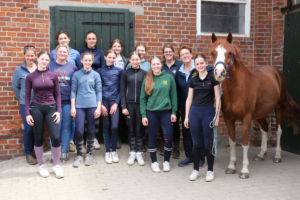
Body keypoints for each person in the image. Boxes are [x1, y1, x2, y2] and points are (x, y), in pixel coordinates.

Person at [25, 51, 63, 178]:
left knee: (56, 137)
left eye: (47, 60)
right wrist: (27, 113)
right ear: (37, 59)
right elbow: (26, 96)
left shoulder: (53, 75)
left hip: (51, 108)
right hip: (36, 108)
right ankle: (41, 165)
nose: (44, 61)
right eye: (42, 59)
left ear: (49, 61)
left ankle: (56, 165)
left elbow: (57, 94)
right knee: (38, 137)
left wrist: (58, 111)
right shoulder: (30, 77)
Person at [184, 54, 221, 182]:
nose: (199, 65)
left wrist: (217, 117)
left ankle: (210, 171)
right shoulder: (193, 80)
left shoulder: (213, 78)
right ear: (195, 65)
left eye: (202, 63)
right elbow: (189, 99)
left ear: (206, 63)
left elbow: (218, 98)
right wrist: (186, 116)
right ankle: (195, 169)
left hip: (208, 113)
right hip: (194, 113)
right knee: (196, 142)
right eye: (197, 63)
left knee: (208, 143)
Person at [140, 56, 177, 173]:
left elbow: (174, 96)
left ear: (161, 65)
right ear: (151, 66)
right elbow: (143, 99)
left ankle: (166, 161)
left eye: (158, 64)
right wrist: (143, 115)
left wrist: (174, 112)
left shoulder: (169, 78)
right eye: (153, 64)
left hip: (166, 112)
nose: (156, 66)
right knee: (152, 137)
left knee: (169, 137)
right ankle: (154, 162)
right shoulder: (147, 79)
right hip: (151, 113)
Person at [175, 45, 207, 168]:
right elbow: (178, 90)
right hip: (185, 106)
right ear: (180, 57)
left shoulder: (200, 67)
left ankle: (201, 158)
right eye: (182, 54)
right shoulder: (179, 71)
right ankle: (189, 157)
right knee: (187, 131)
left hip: (201, 106)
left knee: (200, 132)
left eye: (187, 53)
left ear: (191, 54)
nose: (185, 56)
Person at [50, 30, 81, 152]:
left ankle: (64, 150)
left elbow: (76, 79)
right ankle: (55, 151)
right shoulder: (50, 65)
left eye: (65, 52)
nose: (62, 53)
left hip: (68, 99)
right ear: (56, 53)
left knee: (67, 126)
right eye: (60, 52)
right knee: (55, 127)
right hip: (52, 100)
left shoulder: (73, 65)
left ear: (68, 54)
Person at [71, 51, 102, 167]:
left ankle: (89, 154)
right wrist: (73, 107)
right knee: (79, 130)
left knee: (91, 130)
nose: (88, 62)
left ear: (92, 61)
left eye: (90, 60)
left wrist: (98, 108)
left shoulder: (96, 75)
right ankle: (79, 155)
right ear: (81, 61)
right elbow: (73, 91)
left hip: (92, 106)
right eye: (86, 60)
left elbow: (99, 92)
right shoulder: (76, 74)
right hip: (79, 106)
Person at [78, 31, 105, 150]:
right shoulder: (80, 51)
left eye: (93, 38)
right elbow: (79, 67)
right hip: (83, 83)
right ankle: (83, 138)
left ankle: (93, 137)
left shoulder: (100, 53)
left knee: (94, 115)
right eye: (89, 38)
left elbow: (103, 68)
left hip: (95, 82)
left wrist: (94, 76)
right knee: (83, 115)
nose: (91, 40)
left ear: (96, 40)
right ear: (86, 39)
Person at [120, 51, 148, 166]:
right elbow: (122, 91)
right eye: (133, 59)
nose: (135, 61)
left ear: (140, 60)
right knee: (131, 129)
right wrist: (123, 106)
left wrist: (146, 107)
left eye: (137, 59)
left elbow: (148, 91)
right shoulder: (125, 74)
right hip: (129, 104)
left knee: (140, 129)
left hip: (141, 105)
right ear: (130, 60)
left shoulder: (145, 73)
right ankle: (132, 151)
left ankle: (139, 152)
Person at [12, 46, 38, 165]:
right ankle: (28, 153)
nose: (30, 58)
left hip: (39, 103)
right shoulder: (19, 70)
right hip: (25, 105)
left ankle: (35, 150)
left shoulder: (40, 67)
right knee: (28, 128)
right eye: (28, 55)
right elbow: (15, 87)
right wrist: (23, 98)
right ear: (24, 56)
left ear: (35, 56)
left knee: (37, 128)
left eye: (32, 55)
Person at [97, 49, 123, 164]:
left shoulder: (119, 71)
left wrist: (116, 103)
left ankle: (114, 151)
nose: (111, 59)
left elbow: (121, 89)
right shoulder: (99, 71)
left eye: (114, 58)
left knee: (114, 126)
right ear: (105, 57)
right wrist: (101, 104)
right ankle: (107, 151)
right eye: (110, 57)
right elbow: (97, 89)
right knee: (106, 125)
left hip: (114, 102)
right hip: (103, 102)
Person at [159, 44, 183, 159]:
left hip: (175, 99)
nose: (168, 53)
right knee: (163, 124)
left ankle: (176, 148)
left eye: (170, 51)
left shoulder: (179, 65)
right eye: (166, 52)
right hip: (162, 100)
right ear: (163, 54)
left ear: (174, 53)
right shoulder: (161, 65)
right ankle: (165, 146)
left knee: (175, 125)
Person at [111, 39, 128, 148]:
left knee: (123, 116)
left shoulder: (126, 60)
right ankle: (114, 138)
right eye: (114, 46)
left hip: (123, 90)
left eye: (118, 46)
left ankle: (122, 137)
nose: (116, 48)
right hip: (112, 90)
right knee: (113, 116)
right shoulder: (108, 58)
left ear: (121, 48)